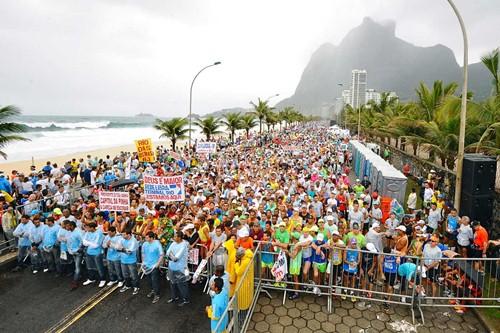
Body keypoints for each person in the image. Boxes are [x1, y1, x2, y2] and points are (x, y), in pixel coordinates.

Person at [166, 231, 190, 306]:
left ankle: (185, 299)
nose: (174, 238)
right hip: (172, 267)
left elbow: (176, 258)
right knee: (172, 283)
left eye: (175, 236)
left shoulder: (183, 245)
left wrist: (171, 256)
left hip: (181, 268)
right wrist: (172, 257)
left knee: (182, 284)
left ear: (179, 238)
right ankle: (174, 297)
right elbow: (167, 253)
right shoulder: (173, 243)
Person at [142, 231, 164, 304]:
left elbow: (161, 254)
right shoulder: (145, 244)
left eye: (147, 237)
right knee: (149, 280)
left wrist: (157, 264)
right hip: (147, 265)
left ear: (151, 238)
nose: (145, 238)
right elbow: (143, 253)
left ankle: (157, 295)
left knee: (155, 281)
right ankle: (152, 290)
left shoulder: (157, 244)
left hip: (154, 266)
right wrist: (143, 262)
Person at [82, 222, 106, 287]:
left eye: (88, 228)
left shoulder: (99, 233)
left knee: (99, 267)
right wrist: (91, 243)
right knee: (90, 267)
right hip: (89, 252)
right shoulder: (88, 232)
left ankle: (102, 279)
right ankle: (91, 278)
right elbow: (84, 242)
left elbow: (96, 245)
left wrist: (88, 242)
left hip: (97, 253)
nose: (87, 229)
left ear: (92, 228)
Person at [422, 234, 442, 303]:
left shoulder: (438, 251)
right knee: (424, 279)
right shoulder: (426, 246)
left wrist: (429, 267)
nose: (431, 242)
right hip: (425, 265)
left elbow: (437, 262)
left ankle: (433, 297)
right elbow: (423, 255)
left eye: (433, 241)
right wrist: (423, 264)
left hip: (433, 268)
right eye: (430, 240)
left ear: (437, 243)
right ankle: (422, 292)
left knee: (433, 283)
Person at [119, 229, 140, 295]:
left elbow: (129, 251)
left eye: (124, 234)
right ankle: (127, 285)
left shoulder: (134, 241)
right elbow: (117, 247)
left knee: (134, 275)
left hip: (131, 261)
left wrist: (121, 249)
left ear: (128, 234)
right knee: (125, 274)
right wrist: (122, 249)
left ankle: (136, 287)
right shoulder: (122, 239)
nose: (122, 236)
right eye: (122, 234)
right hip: (123, 260)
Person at [66, 220, 83, 290]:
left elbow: (82, 241)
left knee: (77, 267)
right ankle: (79, 275)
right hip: (72, 252)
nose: (67, 227)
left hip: (77, 252)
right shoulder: (69, 232)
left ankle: (75, 281)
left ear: (72, 226)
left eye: (68, 226)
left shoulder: (78, 232)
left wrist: (79, 249)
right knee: (77, 265)